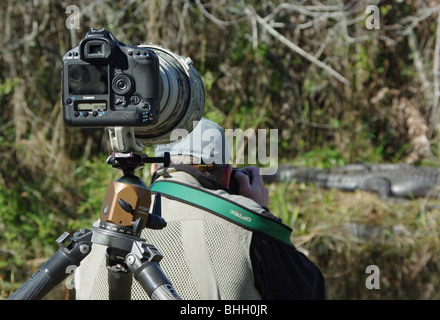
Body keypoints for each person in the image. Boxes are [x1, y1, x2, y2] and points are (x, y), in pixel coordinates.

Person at [75, 118, 325, 300]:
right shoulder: (247, 226)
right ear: (228, 176)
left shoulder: (99, 233)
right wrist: (259, 214)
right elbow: (310, 289)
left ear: (154, 170)